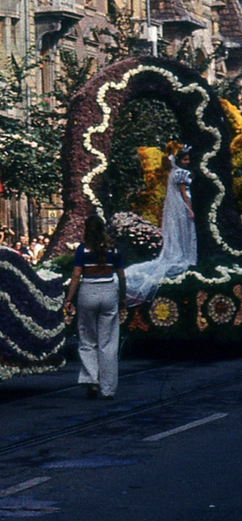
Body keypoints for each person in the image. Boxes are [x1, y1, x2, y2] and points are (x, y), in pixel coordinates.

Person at [63, 214, 125, 400]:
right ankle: (108, 388)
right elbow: (121, 276)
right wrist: (122, 298)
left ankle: (91, 380)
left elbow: (76, 276)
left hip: (87, 292)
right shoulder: (113, 250)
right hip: (108, 292)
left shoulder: (82, 250)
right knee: (108, 343)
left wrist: (69, 298)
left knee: (87, 338)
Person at [126, 148, 198, 303]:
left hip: (179, 206)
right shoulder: (181, 173)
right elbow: (183, 192)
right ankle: (186, 255)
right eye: (185, 159)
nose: (188, 162)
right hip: (182, 206)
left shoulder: (174, 171)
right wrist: (189, 209)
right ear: (180, 160)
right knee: (185, 231)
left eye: (188, 159)